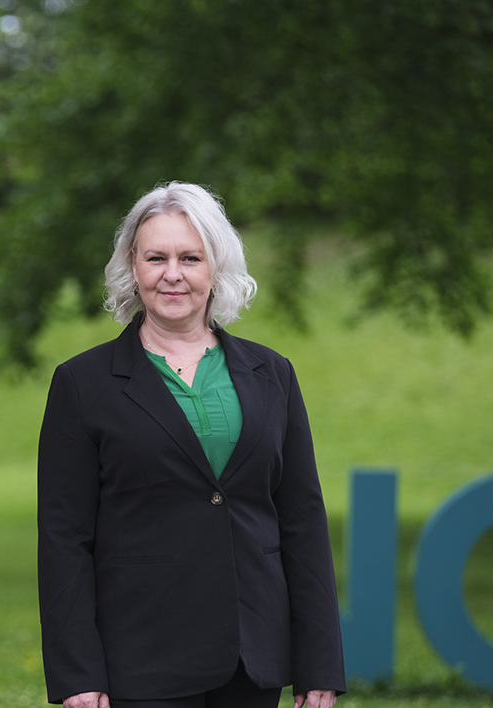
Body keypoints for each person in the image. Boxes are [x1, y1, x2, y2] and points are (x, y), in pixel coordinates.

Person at [37, 182, 345, 708]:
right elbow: (64, 538)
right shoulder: (82, 384)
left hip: (253, 657)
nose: (172, 274)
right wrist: (77, 673)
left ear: (216, 268)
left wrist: (319, 662)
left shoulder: (273, 374)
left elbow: (302, 519)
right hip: (140, 657)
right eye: (156, 258)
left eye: (190, 258)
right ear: (132, 267)